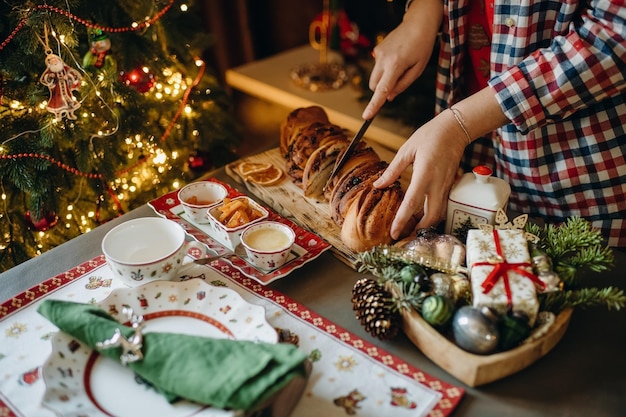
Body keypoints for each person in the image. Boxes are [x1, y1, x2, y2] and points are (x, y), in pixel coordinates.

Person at [362, 0, 626, 247]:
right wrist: (423, 9)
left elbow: (614, 37)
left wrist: (460, 124)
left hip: (579, 187)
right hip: (476, 159)